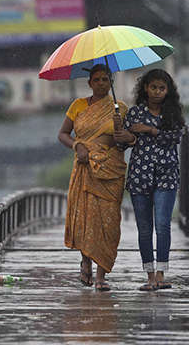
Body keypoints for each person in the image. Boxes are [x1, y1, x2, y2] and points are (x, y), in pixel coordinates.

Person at [57, 64, 134, 291]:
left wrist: (122, 135)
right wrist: (77, 146)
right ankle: (86, 261)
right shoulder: (78, 106)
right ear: (89, 82)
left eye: (105, 79)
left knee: (108, 222)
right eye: (97, 80)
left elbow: (129, 142)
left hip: (110, 170)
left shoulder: (121, 108)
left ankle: (102, 275)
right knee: (86, 218)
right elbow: (62, 134)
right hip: (84, 167)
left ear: (112, 82)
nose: (101, 83)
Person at [117, 69, 185, 291]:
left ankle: (161, 274)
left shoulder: (172, 114)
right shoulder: (134, 113)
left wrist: (150, 130)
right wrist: (123, 132)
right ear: (145, 88)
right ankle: (149, 276)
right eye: (153, 87)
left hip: (166, 174)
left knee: (163, 225)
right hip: (140, 176)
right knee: (144, 228)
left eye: (162, 88)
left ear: (168, 91)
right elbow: (122, 143)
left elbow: (174, 137)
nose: (157, 92)